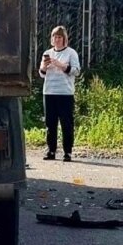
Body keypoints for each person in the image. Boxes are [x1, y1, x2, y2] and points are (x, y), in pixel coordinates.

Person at [39, 25, 81, 162]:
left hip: (65, 93)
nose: (57, 40)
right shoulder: (47, 53)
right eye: (55, 37)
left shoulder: (71, 53)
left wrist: (60, 65)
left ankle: (67, 151)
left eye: (59, 37)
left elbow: (76, 71)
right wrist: (45, 66)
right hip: (49, 92)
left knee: (66, 123)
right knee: (50, 123)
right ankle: (51, 150)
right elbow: (41, 74)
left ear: (64, 39)